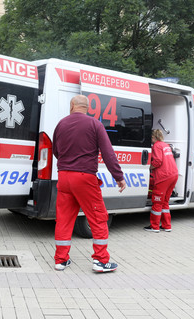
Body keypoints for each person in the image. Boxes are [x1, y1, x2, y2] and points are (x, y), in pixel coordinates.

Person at [52, 95, 126, 273]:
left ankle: (61, 260)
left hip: (63, 177)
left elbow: (56, 150)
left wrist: (67, 164)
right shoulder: (95, 124)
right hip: (85, 177)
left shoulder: (61, 124)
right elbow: (108, 153)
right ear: (88, 108)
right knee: (98, 217)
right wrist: (118, 176)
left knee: (63, 219)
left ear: (72, 106)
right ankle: (101, 261)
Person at [145, 129, 178, 232]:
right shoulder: (165, 145)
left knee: (157, 201)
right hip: (173, 174)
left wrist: (149, 167)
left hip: (164, 177)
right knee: (165, 202)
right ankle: (167, 226)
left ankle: (154, 226)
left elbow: (158, 161)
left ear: (153, 137)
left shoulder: (156, 146)